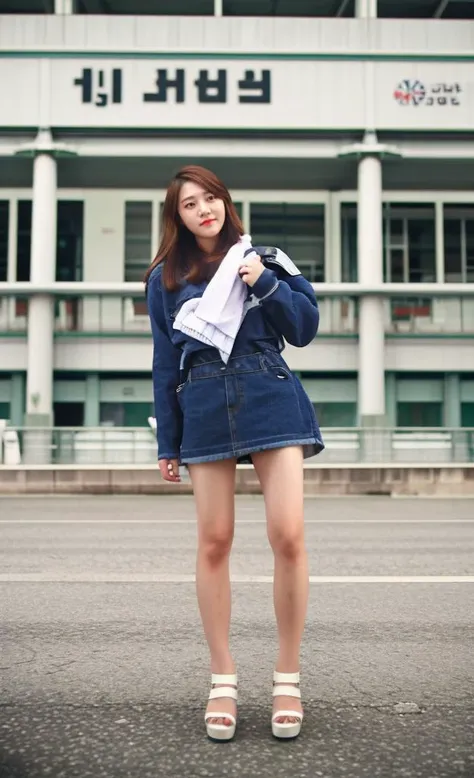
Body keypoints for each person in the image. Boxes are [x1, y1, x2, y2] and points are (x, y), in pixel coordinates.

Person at [145, 165, 324, 742]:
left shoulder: (266, 257)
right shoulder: (165, 278)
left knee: (288, 534)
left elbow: (305, 327)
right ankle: (223, 678)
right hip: (200, 399)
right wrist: (167, 442)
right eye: (190, 203)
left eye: (210, 197)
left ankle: (287, 679)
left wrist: (264, 283)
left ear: (225, 201)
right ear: (177, 217)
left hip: (269, 393)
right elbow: (162, 364)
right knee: (215, 540)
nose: (204, 209)